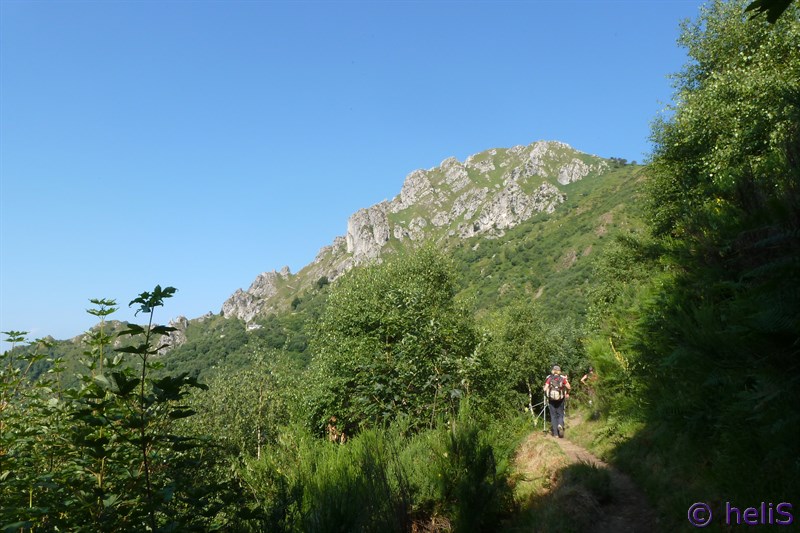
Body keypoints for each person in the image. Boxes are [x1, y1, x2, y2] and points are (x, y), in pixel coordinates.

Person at [543, 365, 571, 438]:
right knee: (560, 414)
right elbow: (569, 387)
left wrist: (546, 390)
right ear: (559, 371)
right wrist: (567, 392)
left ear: (553, 371)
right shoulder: (562, 378)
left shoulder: (549, 378)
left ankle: (555, 434)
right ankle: (560, 425)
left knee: (553, 415)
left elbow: (545, 389)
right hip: (560, 399)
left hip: (551, 399)